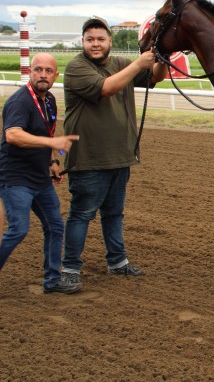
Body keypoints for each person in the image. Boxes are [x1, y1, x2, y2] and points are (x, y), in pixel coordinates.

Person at [60, 17, 167, 285]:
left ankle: (117, 262)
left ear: (110, 40)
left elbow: (155, 77)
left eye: (100, 39)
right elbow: (106, 88)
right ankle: (70, 269)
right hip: (89, 158)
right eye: (90, 39)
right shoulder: (76, 67)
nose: (95, 44)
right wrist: (139, 64)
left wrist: (162, 57)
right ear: (83, 42)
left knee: (114, 213)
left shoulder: (120, 63)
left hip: (120, 155)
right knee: (82, 214)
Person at [0, 53, 80, 294]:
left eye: (48, 71)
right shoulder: (19, 102)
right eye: (38, 70)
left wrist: (52, 161)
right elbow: (13, 135)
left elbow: (46, 133)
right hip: (15, 178)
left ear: (56, 75)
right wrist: (52, 143)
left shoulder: (50, 100)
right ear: (30, 72)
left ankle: (52, 281)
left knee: (55, 227)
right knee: (18, 230)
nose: (43, 75)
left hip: (40, 177)